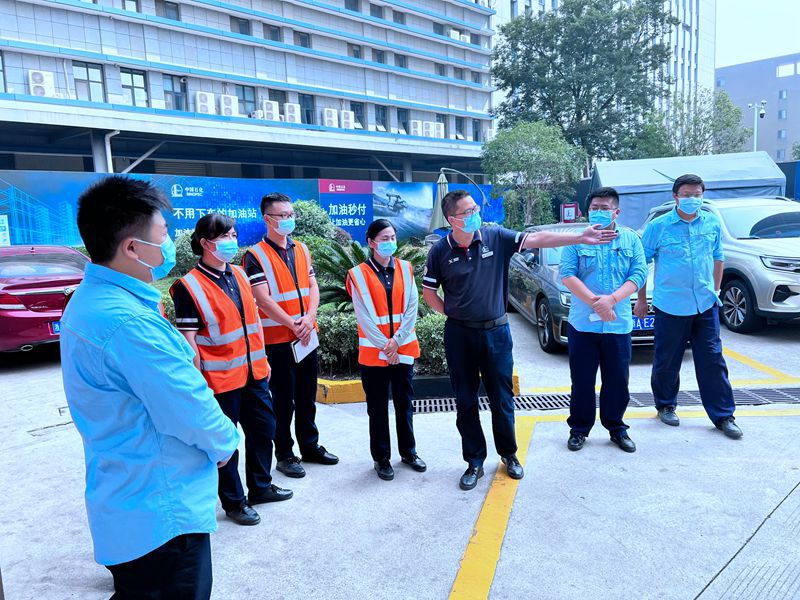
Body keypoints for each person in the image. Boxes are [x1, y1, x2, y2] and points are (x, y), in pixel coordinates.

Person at [60, 176, 240, 598]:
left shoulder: (92, 303)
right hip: (162, 511)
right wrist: (225, 443)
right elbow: (187, 406)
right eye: (163, 233)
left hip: (127, 500)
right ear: (131, 247)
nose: (169, 242)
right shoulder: (130, 322)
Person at [422, 190, 617, 490]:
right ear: (452, 220)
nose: (475, 214)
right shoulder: (439, 251)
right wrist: (454, 312)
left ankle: (509, 454)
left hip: (496, 332)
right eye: (467, 212)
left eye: (475, 208)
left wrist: (579, 236)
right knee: (465, 400)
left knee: (502, 398)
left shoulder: (495, 236)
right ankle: (474, 461)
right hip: (460, 335)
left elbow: (537, 239)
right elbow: (429, 292)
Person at [170, 213, 293, 527]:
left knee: (264, 430)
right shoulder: (188, 286)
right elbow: (189, 341)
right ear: (205, 243)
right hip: (219, 381)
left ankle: (261, 487)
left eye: (234, 235)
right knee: (225, 443)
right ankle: (235, 502)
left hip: (254, 373)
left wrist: (263, 363)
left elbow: (252, 321)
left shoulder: (239, 274)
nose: (232, 241)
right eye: (225, 236)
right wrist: (198, 384)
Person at [634, 174, 742, 439]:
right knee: (667, 359)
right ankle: (665, 405)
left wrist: (716, 291)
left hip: (705, 304)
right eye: (686, 195)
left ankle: (723, 415)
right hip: (670, 305)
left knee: (713, 360)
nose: (692, 199)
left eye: (697, 194)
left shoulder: (712, 222)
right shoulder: (659, 226)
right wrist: (641, 299)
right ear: (675, 197)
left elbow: (718, 257)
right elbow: (641, 264)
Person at [243, 192, 338, 478]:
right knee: (283, 401)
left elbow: (313, 286)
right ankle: (284, 454)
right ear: (267, 219)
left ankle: (310, 446)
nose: (288, 219)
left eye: (290, 214)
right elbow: (262, 299)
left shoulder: (302, 249)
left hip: (306, 337)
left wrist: (309, 318)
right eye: (282, 215)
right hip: (278, 341)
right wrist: (292, 323)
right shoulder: (255, 255)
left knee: (307, 396)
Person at [560, 187, 648, 453]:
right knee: (582, 381)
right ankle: (579, 429)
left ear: (616, 212)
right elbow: (567, 274)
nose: (599, 212)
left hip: (617, 325)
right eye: (594, 208)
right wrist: (596, 302)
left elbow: (639, 273)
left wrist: (611, 300)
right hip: (583, 325)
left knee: (617, 381)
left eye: (604, 208)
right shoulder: (576, 240)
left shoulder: (631, 239)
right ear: (587, 211)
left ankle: (616, 428)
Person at [346, 219, 426, 481]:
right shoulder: (357, 274)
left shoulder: (406, 268)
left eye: (392, 237)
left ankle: (409, 452)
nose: (390, 242)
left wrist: (397, 341)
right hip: (374, 354)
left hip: (403, 350)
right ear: (371, 242)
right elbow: (363, 317)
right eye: (384, 238)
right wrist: (386, 346)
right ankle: (381, 458)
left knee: (405, 403)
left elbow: (412, 307)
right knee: (377, 408)